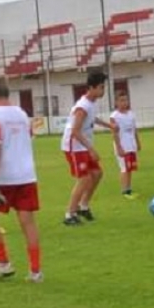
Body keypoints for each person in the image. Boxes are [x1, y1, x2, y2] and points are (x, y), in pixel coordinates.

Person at [0, 75, 43, 283]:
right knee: (28, 222)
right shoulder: (22, 114)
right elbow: (28, 139)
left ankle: (3, 264)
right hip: (26, 175)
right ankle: (35, 271)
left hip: (5, 177)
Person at [60, 72, 114, 225]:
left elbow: (92, 118)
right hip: (74, 146)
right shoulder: (82, 106)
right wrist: (91, 149)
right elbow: (75, 131)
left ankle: (83, 206)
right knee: (84, 178)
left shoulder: (92, 103)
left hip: (82, 145)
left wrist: (108, 125)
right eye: (101, 87)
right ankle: (69, 215)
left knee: (97, 173)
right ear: (91, 87)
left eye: (104, 87)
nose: (103, 90)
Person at [110, 92, 141, 198]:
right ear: (116, 102)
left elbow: (134, 130)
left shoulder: (131, 114)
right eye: (121, 100)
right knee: (124, 168)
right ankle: (124, 191)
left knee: (129, 168)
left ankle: (129, 189)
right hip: (122, 146)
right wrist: (119, 147)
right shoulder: (114, 116)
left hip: (131, 145)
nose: (124, 102)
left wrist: (137, 142)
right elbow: (114, 133)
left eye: (126, 100)